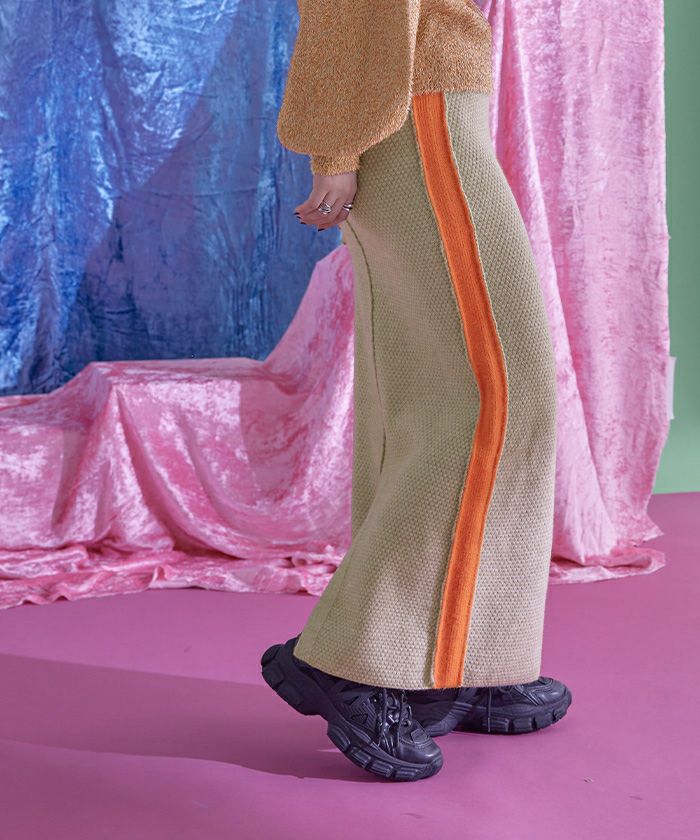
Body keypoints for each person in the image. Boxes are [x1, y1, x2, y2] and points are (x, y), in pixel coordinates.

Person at [261, 0, 572, 781]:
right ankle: (357, 658)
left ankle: (452, 652)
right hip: (412, 107)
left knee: (425, 394)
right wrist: (337, 141)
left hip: (430, 99)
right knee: (498, 396)